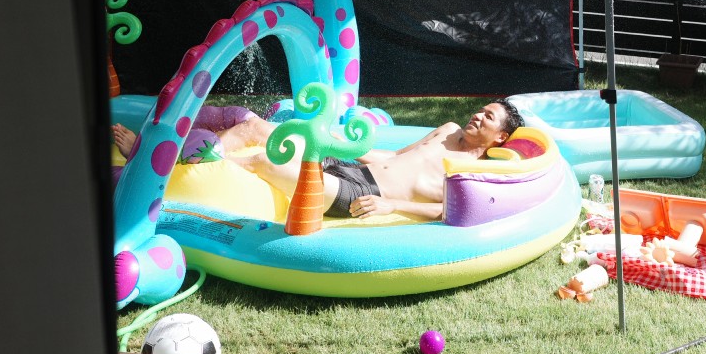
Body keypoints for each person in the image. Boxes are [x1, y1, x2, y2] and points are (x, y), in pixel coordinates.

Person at [113, 98, 525, 223]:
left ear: (501, 137)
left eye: (488, 117)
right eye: (481, 109)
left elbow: (450, 209)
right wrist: (340, 146)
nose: (478, 115)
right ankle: (165, 150)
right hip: (350, 169)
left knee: (264, 162)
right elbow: (397, 157)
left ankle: (156, 173)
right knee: (255, 126)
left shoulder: (476, 170)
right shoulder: (447, 129)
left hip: (356, 193)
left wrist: (393, 204)